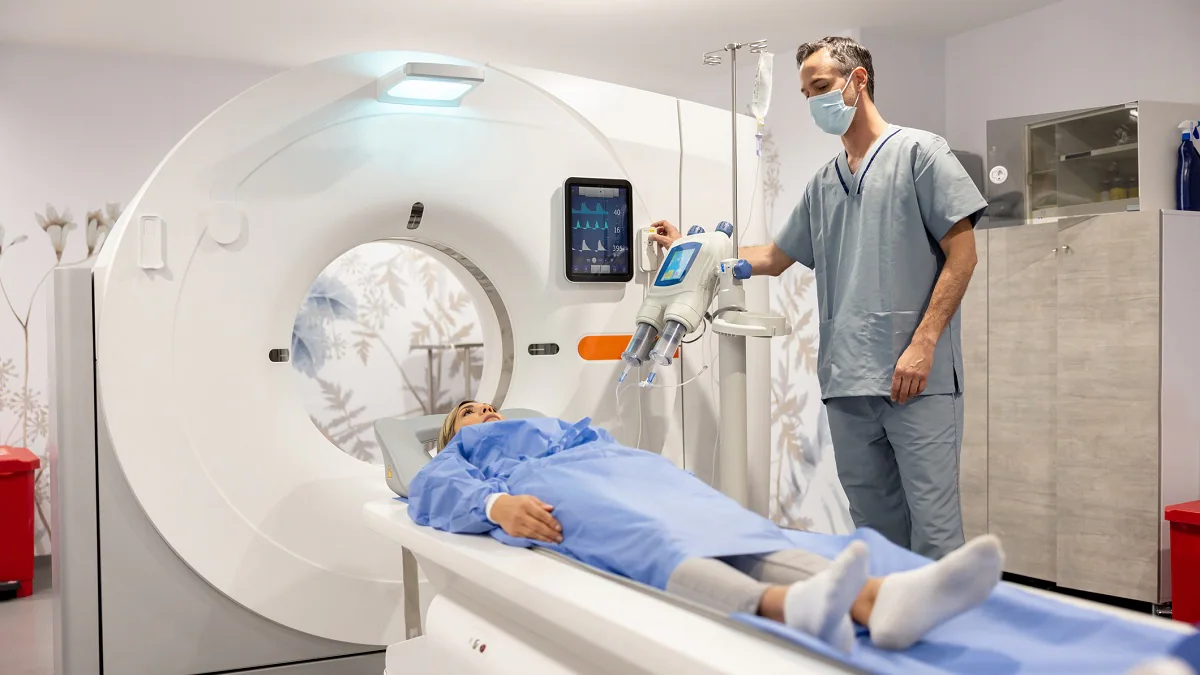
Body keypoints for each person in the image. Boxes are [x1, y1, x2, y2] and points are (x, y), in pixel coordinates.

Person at [649, 36, 986, 560]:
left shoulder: (920, 153)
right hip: (848, 379)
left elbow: (962, 255)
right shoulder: (824, 183)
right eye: (806, 93)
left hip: (917, 378)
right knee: (874, 530)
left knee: (935, 529)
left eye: (821, 87)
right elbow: (773, 257)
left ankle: (950, 635)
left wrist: (924, 343)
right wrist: (692, 248)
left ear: (858, 81)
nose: (813, 102)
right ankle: (887, 630)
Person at [410, 401, 1005, 654]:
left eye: (490, 407)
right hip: (552, 486)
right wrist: (498, 507)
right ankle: (781, 605)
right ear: (451, 432)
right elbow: (432, 491)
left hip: (614, 465)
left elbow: (601, 442)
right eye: (468, 412)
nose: (485, 413)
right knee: (651, 537)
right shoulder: (463, 455)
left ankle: (877, 600)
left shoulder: (553, 425)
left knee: (716, 519)